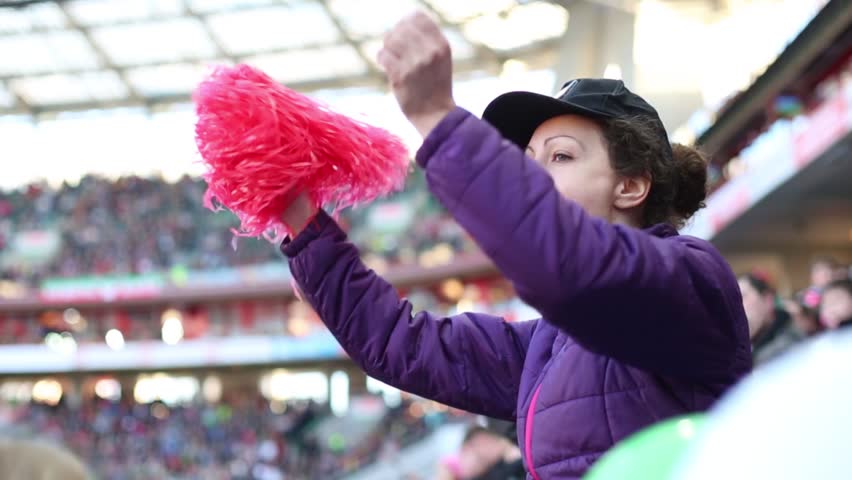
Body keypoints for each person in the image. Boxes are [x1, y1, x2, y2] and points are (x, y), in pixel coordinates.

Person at [278, 12, 750, 479]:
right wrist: (304, 229)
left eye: (561, 156)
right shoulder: (545, 345)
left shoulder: (693, 279)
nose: (533, 174)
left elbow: (571, 266)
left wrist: (435, 119)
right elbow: (404, 345)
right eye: (527, 161)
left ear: (631, 186)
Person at [738, 273, 802, 365]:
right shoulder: (747, 349)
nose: (735, 306)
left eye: (742, 297)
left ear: (767, 300)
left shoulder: (788, 346)